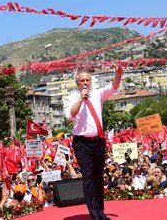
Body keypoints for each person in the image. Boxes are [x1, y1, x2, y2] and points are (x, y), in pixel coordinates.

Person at [64, 64, 123, 220]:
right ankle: (93, 214)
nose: (85, 83)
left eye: (87, 80)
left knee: (98, 177)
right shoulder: (71, 97)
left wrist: (119, 75)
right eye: (82, 80)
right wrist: (81, 99)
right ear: (78, 83)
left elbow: (113, 87)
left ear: (91, 82)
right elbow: (70, 115)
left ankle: (100, 211)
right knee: (88, 176)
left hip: (98, 141)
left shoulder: (97, 94)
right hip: (81, 142)